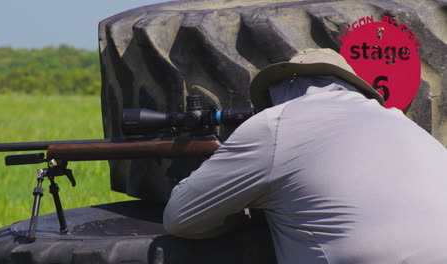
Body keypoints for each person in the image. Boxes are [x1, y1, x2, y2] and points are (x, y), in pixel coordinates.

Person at [163, 48, 447, 263]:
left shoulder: (276, 124)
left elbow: (180, 217)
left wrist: (244, 210)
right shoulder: (400, 122)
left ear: (280, 89)